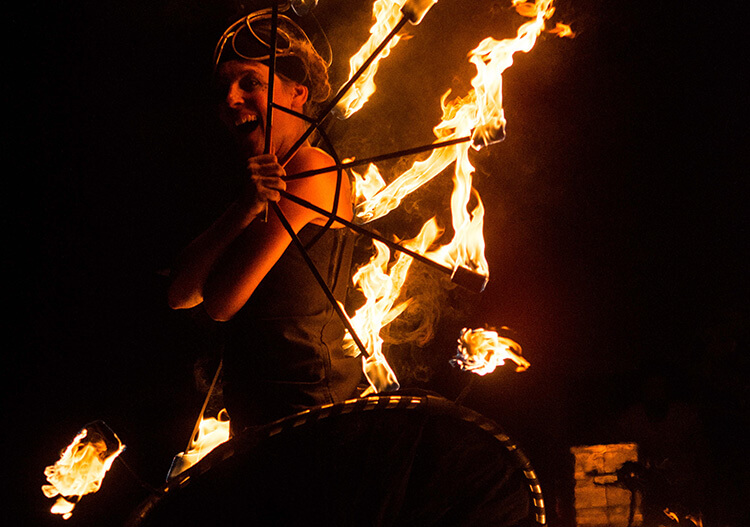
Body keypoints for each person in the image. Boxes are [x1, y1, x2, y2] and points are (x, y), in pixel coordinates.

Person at [167, 10, 362, 430]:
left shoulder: (313, 169)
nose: (231, 100)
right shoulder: (255, 185)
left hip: (309, 413)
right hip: (258, 414)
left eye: (249, 82)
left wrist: (247, 207)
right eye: (223, 90)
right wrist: (244, 208)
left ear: (297, 94)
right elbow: (180, 293)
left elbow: (220, 304)